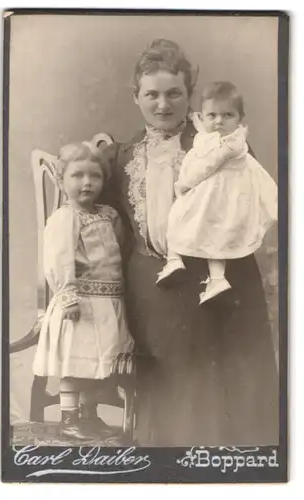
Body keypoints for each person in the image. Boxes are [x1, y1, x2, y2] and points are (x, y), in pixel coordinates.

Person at [103, 39, 279, 446]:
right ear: (136, 97)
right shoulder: (120, 157)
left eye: (174, 93)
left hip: (212, 282)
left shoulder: (220, 148)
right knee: (166, 391)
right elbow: (101, 225)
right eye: (152, 94)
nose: (163, 105)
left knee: (220, 398)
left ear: (190, 95)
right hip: (152, 289)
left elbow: (244, 209)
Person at [32, 142, 134, 440]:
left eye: (95, 176)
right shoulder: (66, 218)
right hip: (80, 304)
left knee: (97, 362)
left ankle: (90, 415)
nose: (87, 183)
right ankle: (69, 417)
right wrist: (68, 296)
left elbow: (120, 253)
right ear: (61, 180)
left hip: (107, 302)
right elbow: (59, 259)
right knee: (74, 362)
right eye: (77, 176)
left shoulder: (108, 216)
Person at [156, 82, 278, 305]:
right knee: (194, 226)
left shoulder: (233, 143)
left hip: (224, 197)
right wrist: (199, 122)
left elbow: (207, 164)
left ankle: (209, 274)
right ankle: (184, 264)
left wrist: (183, 184)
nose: (219, 121)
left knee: (188, 219)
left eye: (227, 115)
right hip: (213, 194)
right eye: (212, 115)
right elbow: (203, 139)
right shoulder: (211, 136)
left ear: (240, 118)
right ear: (203, 117)